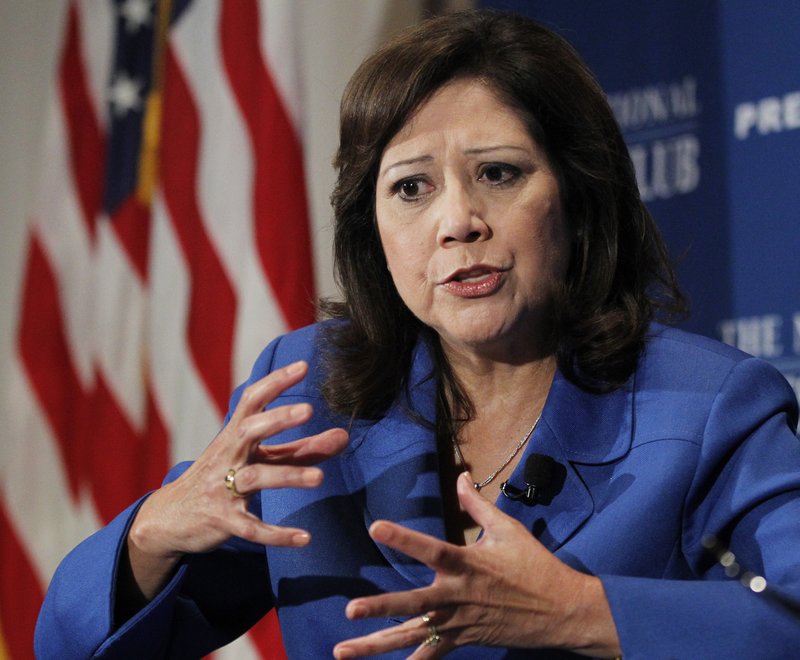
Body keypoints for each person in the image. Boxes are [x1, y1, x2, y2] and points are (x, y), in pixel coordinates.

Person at [35, 9, 800, 659]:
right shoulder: (312, 391)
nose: (457, 220)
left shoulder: (707, 408)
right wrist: (156, 530)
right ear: (374, 232)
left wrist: (582, 611)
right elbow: (69, 645)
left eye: (499, 173)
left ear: (576, 199)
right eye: (411, 188)